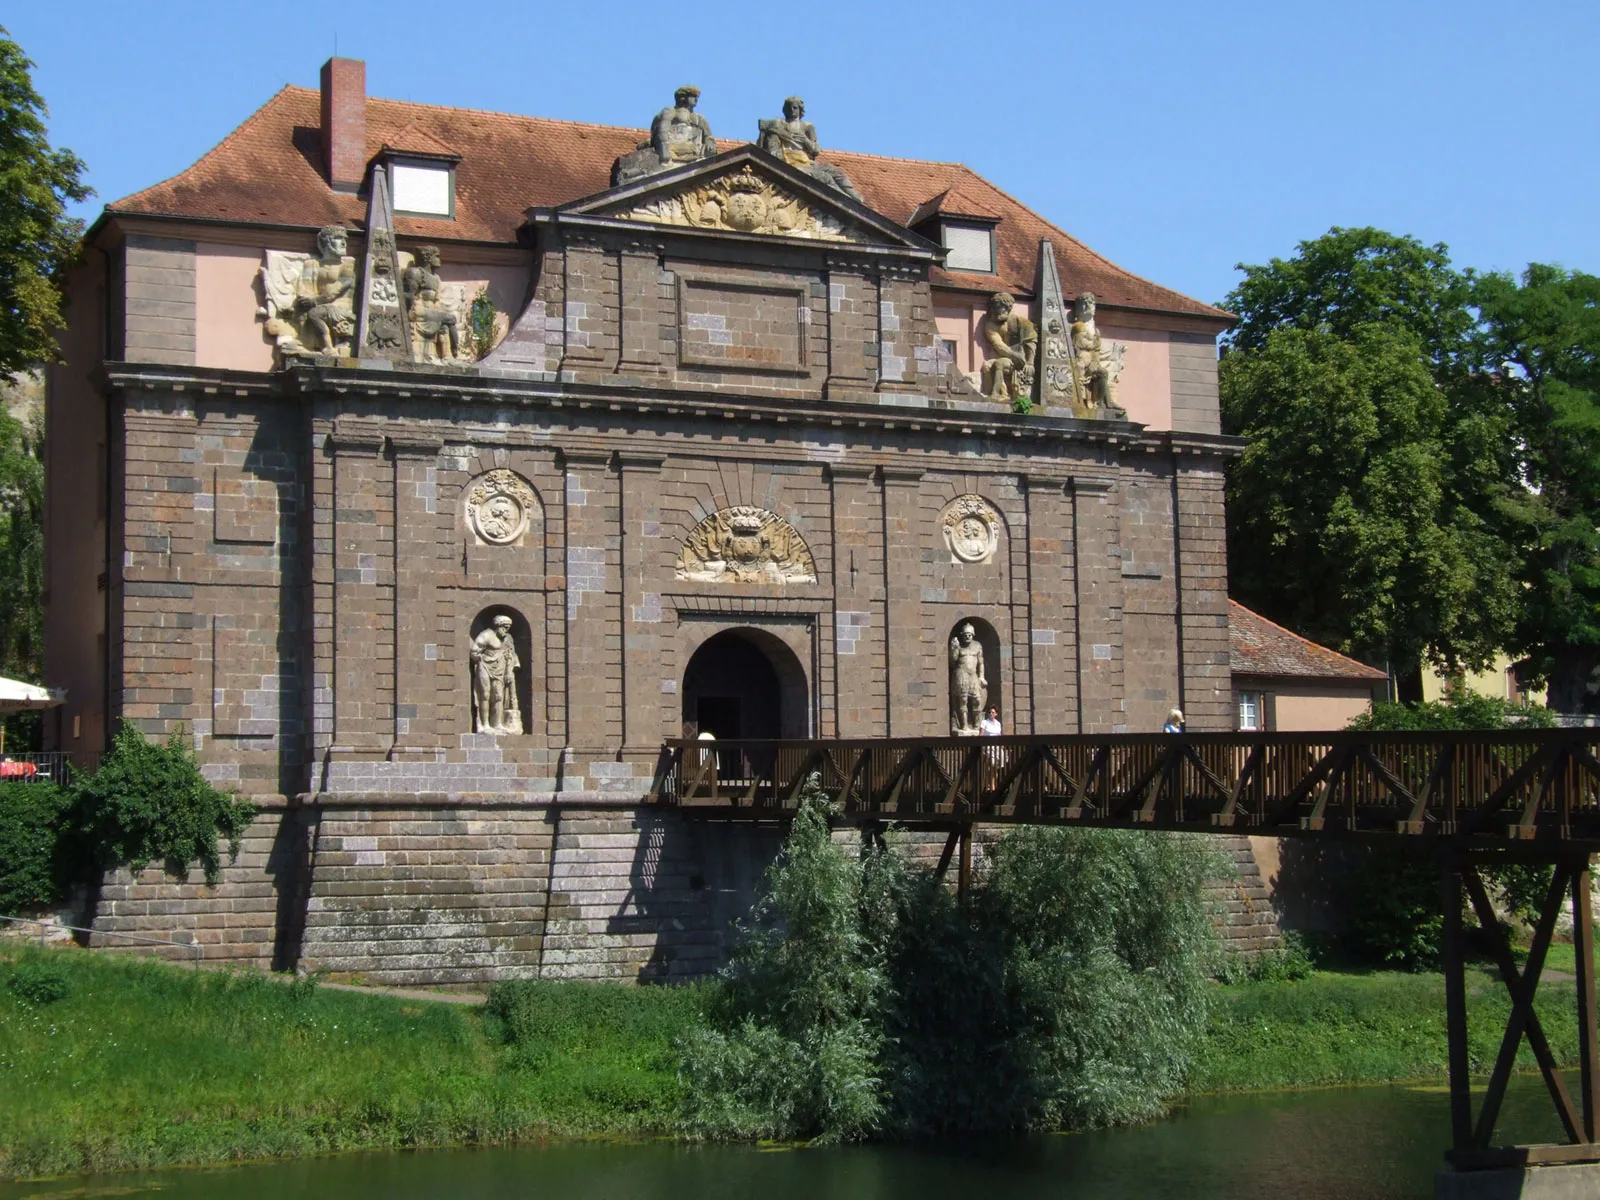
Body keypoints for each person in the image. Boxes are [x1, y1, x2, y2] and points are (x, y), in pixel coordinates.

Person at [980, 704, 1004, 789]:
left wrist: (1002, 745)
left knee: (996, 766)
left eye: (993, 712)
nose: (991, 713)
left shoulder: (998, 724)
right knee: (992, 764)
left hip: (997, 747)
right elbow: (981, 734)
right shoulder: (984, 722)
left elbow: (1000, 734)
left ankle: (991, 784)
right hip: (988, 747)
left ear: (996, 714)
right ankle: (991, 785)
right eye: (989, 712)